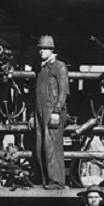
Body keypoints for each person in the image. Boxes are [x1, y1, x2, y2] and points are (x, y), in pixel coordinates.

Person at [33, 35, 69, 188]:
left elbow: (64, 90)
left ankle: (57, 181)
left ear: (52, 50)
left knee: (52, 145)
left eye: (45, 49)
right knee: (40, 145)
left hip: (52, 110)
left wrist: (57, 110)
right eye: (40, 49)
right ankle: (45, 180)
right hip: (39, 111)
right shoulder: (42, 68)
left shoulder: (59, 66)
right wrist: (31, 115)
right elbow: (36, 93)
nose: (41, 51)